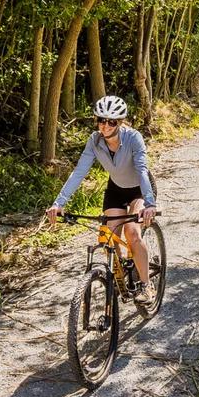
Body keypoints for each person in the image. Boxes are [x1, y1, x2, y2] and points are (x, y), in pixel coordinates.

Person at [47, 95, 159, 310]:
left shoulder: (134, 138)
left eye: (111, 122)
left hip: (139, 190)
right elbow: (79, 172)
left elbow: (143, 170)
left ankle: (146, 285)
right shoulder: (94, 140)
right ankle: (120, 273)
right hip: (116, 189)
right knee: (109, 235)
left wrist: (150, 203)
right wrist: (58, 203)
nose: (105, 126)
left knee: (132, 233)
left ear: (121, 122)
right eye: (101, 120)